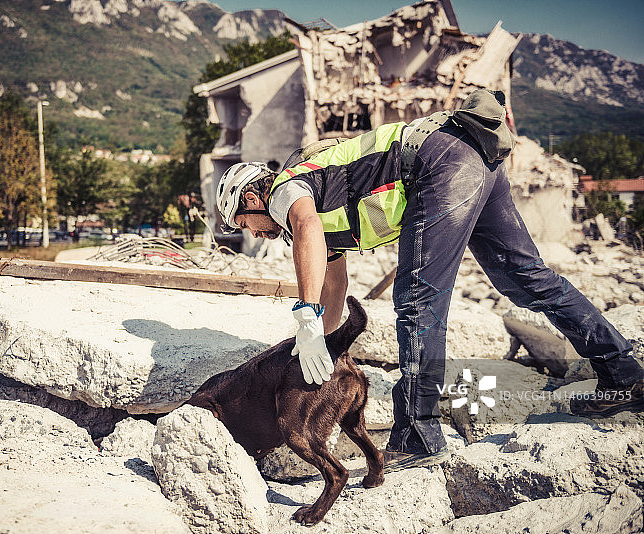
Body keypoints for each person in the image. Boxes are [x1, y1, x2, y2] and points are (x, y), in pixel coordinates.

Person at [215, 91, 644, 470]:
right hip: (473, 160)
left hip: (437, 164)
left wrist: (305, 317)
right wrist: (322, 344)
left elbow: (305, 227)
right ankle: (623, 372)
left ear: (252, 197)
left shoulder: (286, 189)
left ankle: (418, 435)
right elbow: (334, 283)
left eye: (243, 222)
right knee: (525, 278)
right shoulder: (319, 204)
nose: (251, 233)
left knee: (419, 298)